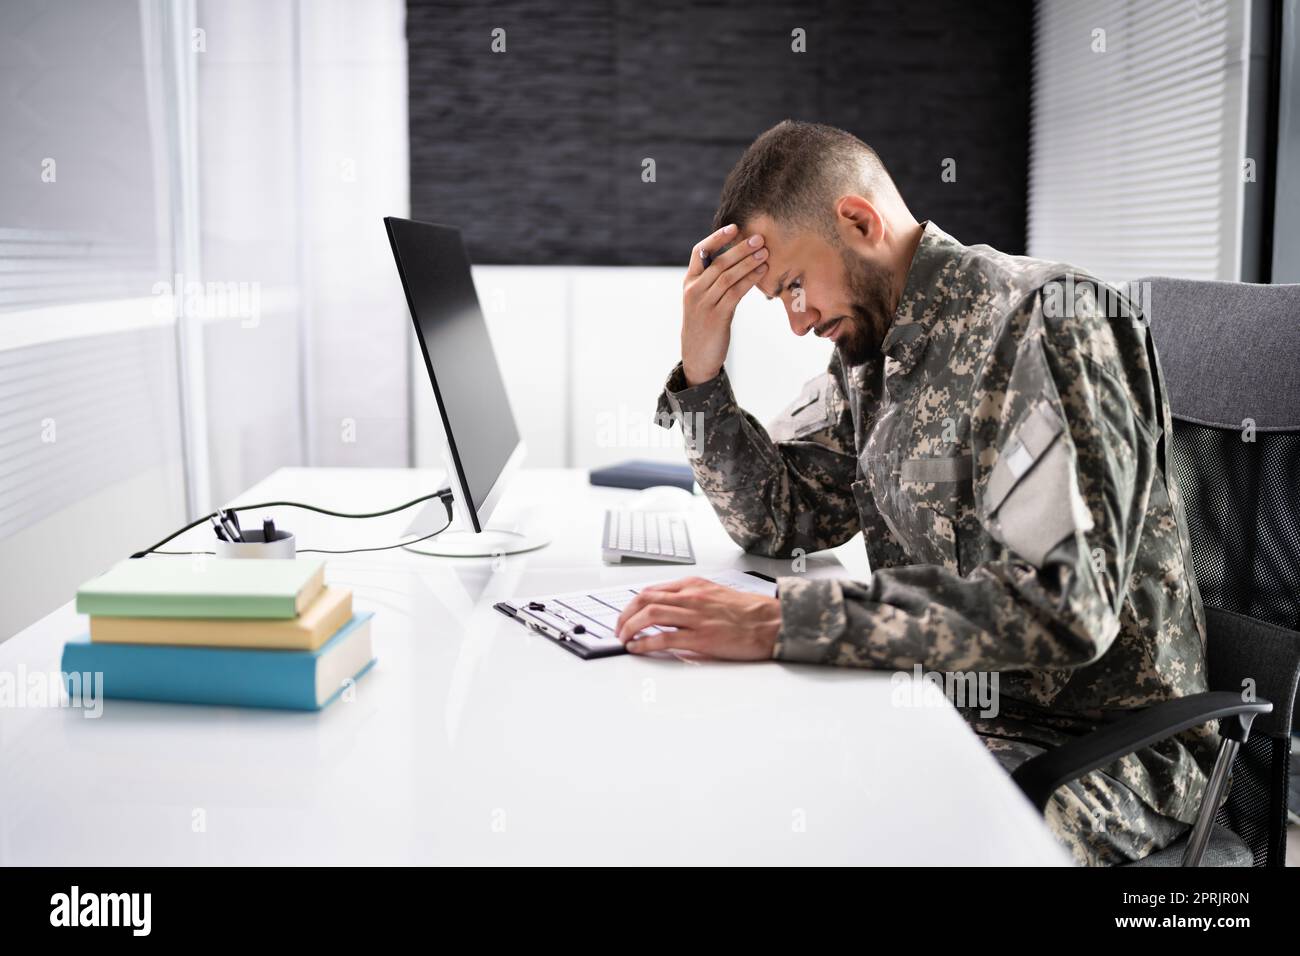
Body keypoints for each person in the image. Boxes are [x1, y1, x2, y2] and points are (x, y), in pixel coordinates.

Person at [614, 120, 1215, 866]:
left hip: (1102, 748)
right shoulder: (871, 354)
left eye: (794, 286)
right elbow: (777, 516)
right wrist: (702, 372)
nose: (797, 321)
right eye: (779, 302)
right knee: (739, 791)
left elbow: (1064, 608)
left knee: (892, 845)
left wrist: (782, 621)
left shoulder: (1047, 325)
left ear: (859, 221)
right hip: (946, 709)